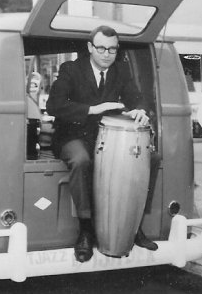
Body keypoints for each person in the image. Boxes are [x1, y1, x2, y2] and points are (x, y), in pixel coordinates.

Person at [46, 25, 158, 263]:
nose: (107, 54)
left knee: (152, 159)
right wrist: (93, 109)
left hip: (107, 138)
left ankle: (134, 225)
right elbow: (54, 105)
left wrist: (140, 110)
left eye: (112, 49)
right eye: (101, 48)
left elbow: (137, 98)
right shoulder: (71, 69)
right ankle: (85, 230)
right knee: (81, 161)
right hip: (72, 136)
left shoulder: (121, 71)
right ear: (90, 47)